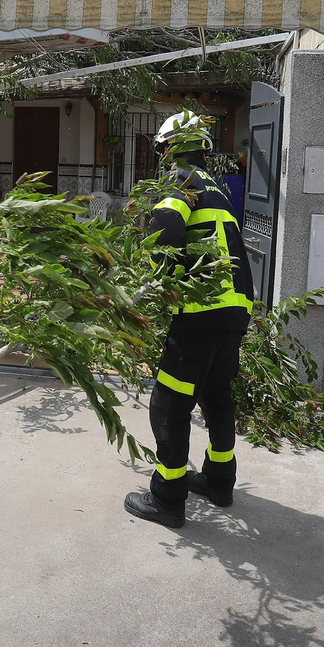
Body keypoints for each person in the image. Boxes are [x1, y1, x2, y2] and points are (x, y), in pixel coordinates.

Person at [124, 110, 255, 528]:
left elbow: (165, 228)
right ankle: (219, 481)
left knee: (170, 405)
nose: (161, 157)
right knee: (217, 398)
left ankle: (167, 499)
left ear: (171, 148)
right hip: (234, 311)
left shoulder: (178, 179)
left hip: (199, 313)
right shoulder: (215, 186)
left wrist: (151, 280)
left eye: (162, 149)